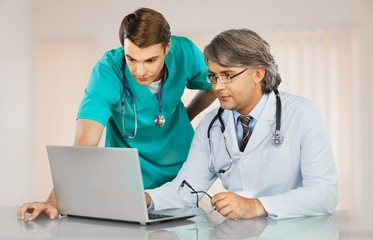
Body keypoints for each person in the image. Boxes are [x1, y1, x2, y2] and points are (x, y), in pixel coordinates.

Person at [17, 8, 215, 221]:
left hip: (181, 177)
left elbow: (215, 83)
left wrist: (188, 114)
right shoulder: (107, 71)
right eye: (131, 59)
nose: (140, 71)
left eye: (150, 60)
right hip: (130, 184)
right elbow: (85, 143)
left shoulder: (185, 53)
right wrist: (52, 202)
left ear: (167, 48)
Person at [145, 28, 339, 220]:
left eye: (228, 75)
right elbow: (186, 189)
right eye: (213, 76)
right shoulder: (210, 125)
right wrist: (145, 198)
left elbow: (325, 194)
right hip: (238, 232)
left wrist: (258, 206)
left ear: (258, 73)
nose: (217, 86)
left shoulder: (302, 113)